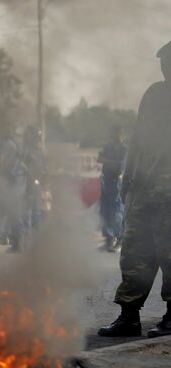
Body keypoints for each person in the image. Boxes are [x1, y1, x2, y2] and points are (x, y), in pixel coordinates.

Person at [98, 41, 171, 338]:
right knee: (134, 250)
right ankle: (129, 316)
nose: (165, 66)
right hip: (145, 188)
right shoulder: (154, 94)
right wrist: (127, 179)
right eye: (164, 60)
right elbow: (139, 140)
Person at [0, 127, 27, 252]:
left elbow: (5, 165)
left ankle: (15, 244)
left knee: (5, 213)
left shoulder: (8, 145)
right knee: (11, 214)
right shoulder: (12, 144)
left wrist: (1, 176)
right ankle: (16, 244)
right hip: (14, 184)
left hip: (11, 185)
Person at [96, 125, 127, 253]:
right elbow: (99, 158)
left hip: (116, 182)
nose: (114, 136)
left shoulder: (124, 149)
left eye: (116, 133)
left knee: (116, 212)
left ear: (121, 134)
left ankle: (119, 239)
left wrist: (106, 161)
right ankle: (108, 239)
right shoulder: (108, 147)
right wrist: (107, 161)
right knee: (105, 211)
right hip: (106, 181)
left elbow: (119, 167)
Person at [22, 125, 47, 231]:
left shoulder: (39, 151)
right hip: (27, 183)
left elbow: (43, 166)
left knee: (37, 207)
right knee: (27, 208)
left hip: (37, 182)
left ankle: (37, 230)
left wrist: (44, 174)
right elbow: (22, 165)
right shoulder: (25, 150)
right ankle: (28, 230)